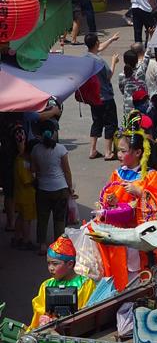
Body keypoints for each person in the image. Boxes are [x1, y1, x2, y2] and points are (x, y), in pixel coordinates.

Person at [94, 124, 157, 291]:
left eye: (123, 151)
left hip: (138, 234)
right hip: (119, 232)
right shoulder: (117, 173)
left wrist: (141, 193)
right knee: (120, 272)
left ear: (137, 153)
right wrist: (110, 201)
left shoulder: (150, 175)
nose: (119, 155)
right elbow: (108, 195)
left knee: (137, 273)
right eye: (118, 150)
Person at [28, 235, 95, 330]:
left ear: (70, 264)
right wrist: (45, 317)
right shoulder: (46, 285)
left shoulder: (86, 284)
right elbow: (39, 307)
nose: (50, 268)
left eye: (55, 264)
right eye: (48, 263)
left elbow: (89, 310)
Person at [31, 123, 75, 255]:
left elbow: (33, 169)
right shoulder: (60, 149)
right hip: (60, 188)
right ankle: (59, 246)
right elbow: (66, 170)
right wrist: (70, 187)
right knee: (59, 219)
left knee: (42, 218)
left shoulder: (36, 149)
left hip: (43, 189)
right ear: (53, 133)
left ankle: (42, 245)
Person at [85, 32, 120, 160]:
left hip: (94, 98)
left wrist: (111, 39)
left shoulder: (86, 57)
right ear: (96, 43)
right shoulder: (100, 61)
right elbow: (109, 75)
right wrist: (113, 62)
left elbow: (97, 49)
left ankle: (92, 150)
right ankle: (108, 152)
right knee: (110, 124)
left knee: (97, 122)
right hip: (106, 97)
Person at [12, 126, 36, 250]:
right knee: (27, 219)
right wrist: (35, 180)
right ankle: (26, 240)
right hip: (26, 196)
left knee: (21, 217)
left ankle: (17, 238)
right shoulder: (22, 163)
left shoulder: (19, 160)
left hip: (21, 195)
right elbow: (27, 181)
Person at [118, 47, 150, 120]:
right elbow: (147, 56)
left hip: (129, 108)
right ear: (136, 60)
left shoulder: (122, 75)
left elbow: (122, 90)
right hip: (143, 104)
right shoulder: (141, 70)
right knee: (143, 125)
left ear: (124, 61)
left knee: (130, 128)